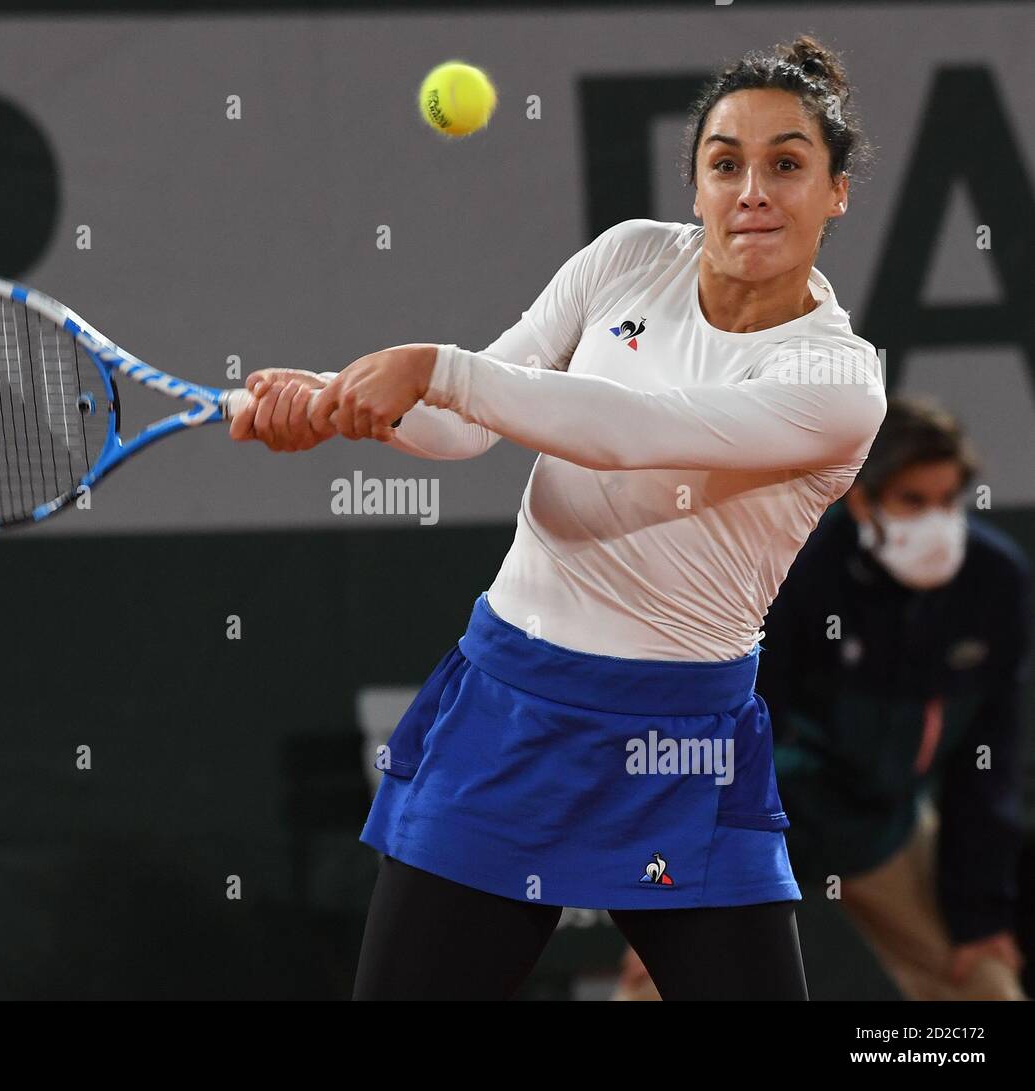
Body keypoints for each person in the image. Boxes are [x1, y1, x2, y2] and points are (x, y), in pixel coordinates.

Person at [231, 34, 884, 1000]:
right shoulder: (626, 258)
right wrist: (338, 403)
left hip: (681, 747)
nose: (753, 190)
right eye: (725, 163)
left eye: (787, 164)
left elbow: (630, 433)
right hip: (510, 720)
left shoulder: (837, 380)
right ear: (695, 184)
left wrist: (437, 366)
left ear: (835, 191)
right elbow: (468, 427)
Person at [615, 396, 1029, 1000]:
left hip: (882, 827)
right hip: (763, 821)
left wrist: (981, 914)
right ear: (860, 499)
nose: (936, 522)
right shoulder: (791, 566)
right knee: (656, 981)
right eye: (913, 500)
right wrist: (670, 888)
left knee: (986, 984)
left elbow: (986, 762)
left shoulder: (992, 582)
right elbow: (721, 739)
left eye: (948, 501)